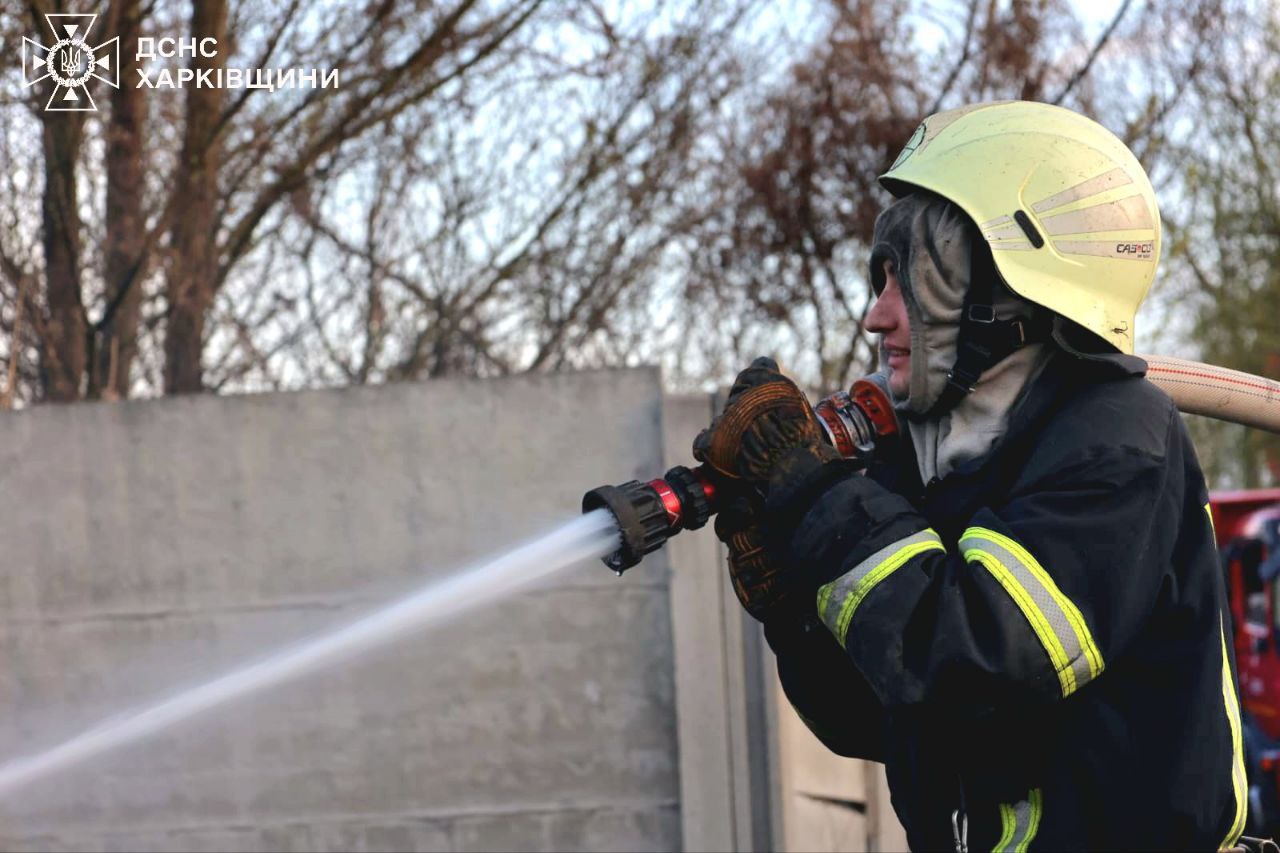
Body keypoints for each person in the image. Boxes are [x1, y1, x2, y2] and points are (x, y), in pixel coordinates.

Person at [692, 101, 1247, 850]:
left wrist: (816, 495)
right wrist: (795, 606)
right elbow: (877, 716)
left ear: (1009, 293)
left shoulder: (1116, 441)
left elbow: (982, 665)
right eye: (881, 279)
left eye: (914, 278)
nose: (877, 317)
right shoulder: (938, 455)